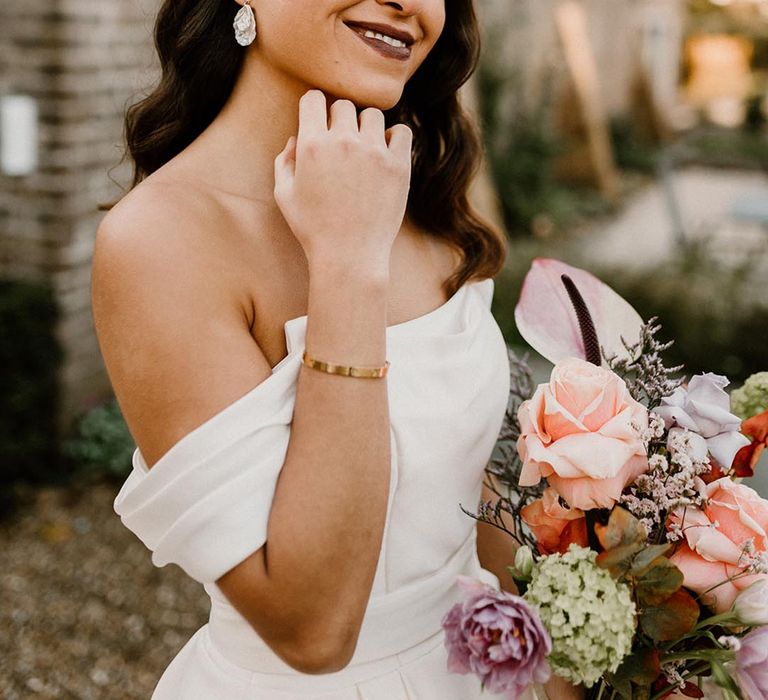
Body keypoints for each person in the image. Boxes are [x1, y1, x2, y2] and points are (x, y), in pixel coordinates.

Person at [91, 0, 583, 697]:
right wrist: (348, 263)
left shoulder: (429, 201)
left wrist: (569, 658)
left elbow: (467, 485)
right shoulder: (163, 241)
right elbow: (312, 630)